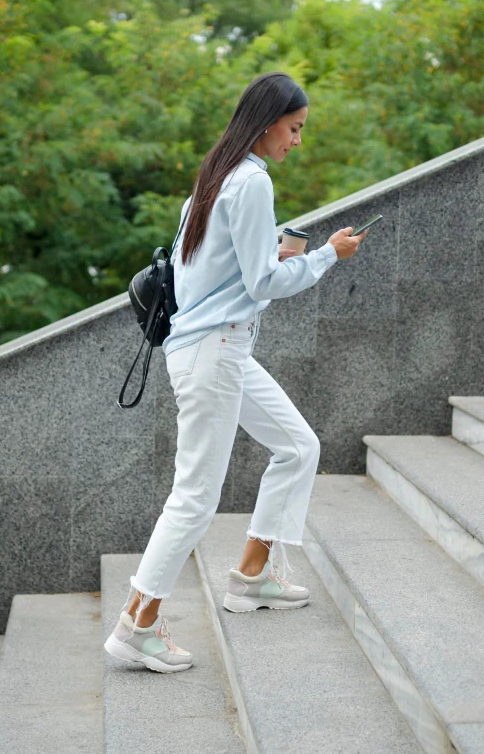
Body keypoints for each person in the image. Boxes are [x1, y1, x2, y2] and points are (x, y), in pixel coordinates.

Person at [104, 71, 369, 673]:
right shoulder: (251, 182)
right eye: (295, 128)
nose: (297, 141)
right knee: (194, 497)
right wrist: (328, 255)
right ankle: (137, 622)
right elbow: (261, 285)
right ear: (268, 121)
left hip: (214, 348)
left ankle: (251, 576)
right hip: (214, 352)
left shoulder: (211, 180)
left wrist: (273, 250)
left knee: (299, 446)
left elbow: (212, 272)